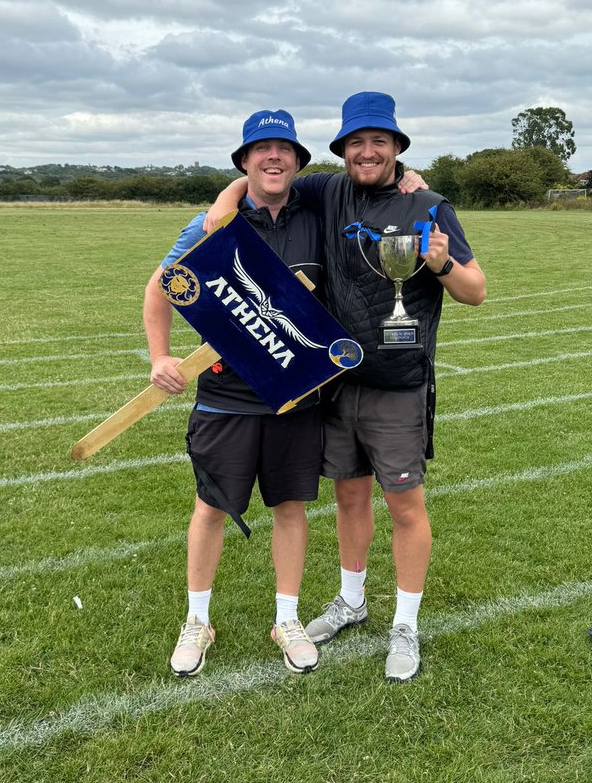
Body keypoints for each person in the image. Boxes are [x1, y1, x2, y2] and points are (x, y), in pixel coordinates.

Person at [207, 92, 486, 681]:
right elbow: (264, 180)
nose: (366, 151)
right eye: (355, 142)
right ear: (340, 150)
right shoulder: (328, 191)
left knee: (405, 505)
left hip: (398, 385)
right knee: (348, 497)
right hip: (334, 382)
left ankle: (405, 624)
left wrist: (440, 263)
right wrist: (225, 197)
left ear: (397, 147)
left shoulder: (429, 204)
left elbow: (474, 291)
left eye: (378, 141)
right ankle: (352, 600)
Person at [144, 110, 324, 677]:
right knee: (212, 507)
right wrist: (160, 357)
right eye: (260, 149)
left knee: (290, 506)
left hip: (293, 393)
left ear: (297, 161)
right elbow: (161, 288)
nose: (274, 158)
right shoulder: (208, 223)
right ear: (244, 162)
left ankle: (287, 619)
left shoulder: (316, 215)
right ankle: (198, 620)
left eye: (284, 149)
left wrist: (416, 181)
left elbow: (378, 182)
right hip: (224, 395)